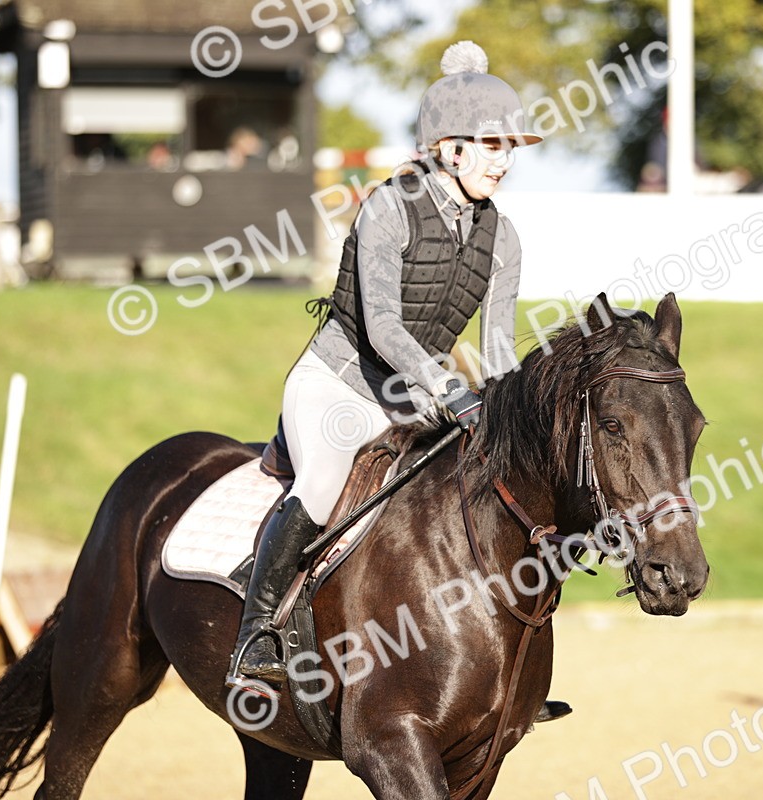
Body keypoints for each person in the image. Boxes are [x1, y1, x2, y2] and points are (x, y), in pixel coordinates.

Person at [230, 42, 569, 723]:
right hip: (340, 381)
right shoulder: (388, 208)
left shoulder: (502, 236)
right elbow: (382, 326)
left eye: (510, 147)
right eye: (492, 145)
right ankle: (256, 636)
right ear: (450, 148)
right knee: (323, 486)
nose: (505, 160)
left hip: (415, 395)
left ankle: (499, 675)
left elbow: (497, 343)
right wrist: (445, 386)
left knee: (488, 501)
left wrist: (505, 413)